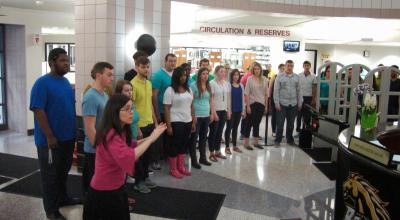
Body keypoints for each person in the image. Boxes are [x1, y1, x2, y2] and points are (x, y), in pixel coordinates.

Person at [83, 94, 167, 220]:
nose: (131, 112)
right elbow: (129, 156)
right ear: (115, 111)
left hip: (116, 188)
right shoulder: (110, 134)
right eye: (127, 109)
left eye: (132, 108)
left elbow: (132, 145)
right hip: (103, 193)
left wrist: (150, 138)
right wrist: (152, 139)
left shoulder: (120, 130)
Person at [30, 48, 80, 220]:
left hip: (67, 137)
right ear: (52, 62)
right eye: (62, 61)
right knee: (50, 176)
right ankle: (51, 210)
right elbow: (38, 110)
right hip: (50, 141)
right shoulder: (42, 83)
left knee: (63, 172)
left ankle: (63, 198)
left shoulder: (66, 82)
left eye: (68, 61)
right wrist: (50, 136)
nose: (66, 63)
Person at [82, 62, 114, 194]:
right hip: (94, 150)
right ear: (98, 75)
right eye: (109, 75)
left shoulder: (104, 94)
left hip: (103, 147)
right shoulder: (90, 97)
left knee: (102, 186)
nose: (112, 78)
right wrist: (100, 148)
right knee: (92, 186)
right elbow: (89, 128)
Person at [131, 56, 159, 193]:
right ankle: (138, 181)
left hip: (149, 123)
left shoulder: (148, 83)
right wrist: (136, 127)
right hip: (139, 125)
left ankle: (146, 177)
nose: (146, 69)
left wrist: (155, 120)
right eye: (143, 67)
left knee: (148, 154)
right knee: (139, 156)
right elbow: (131, 108)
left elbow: (150, 104)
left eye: (148, 67)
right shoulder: (132, 84)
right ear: (136, 67)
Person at [163, 66, 196, 178]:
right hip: (176, 121)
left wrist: (193, 121)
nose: (184, 77)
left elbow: (192, 106)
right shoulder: (170, 90)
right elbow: (166, 108)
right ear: (176, 76)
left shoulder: (189, 89)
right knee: (175, 145)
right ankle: (173, 169)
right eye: (181, 75)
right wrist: (169, 126)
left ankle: (181, 167)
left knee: (183, 145)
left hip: (187, 120)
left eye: (185, 75)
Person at [151, 53, 177, 170]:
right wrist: (156, 114)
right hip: (161, 110)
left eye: (174, 61)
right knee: (159, 138)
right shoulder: (158, 75)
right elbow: (154, 96)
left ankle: (167, 156)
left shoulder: (176, 74)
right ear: (165, 61)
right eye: (170, 61)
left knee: (170, 136)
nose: (173, 63)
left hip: (173, 111)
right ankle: (156, 160)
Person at [189, 67, 214, 168]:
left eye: (207, 74)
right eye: (203, 74)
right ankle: (194, 160)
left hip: (206, 115)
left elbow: (210, 100)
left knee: (203, 138)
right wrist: (193, 116)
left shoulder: (209, 86)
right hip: (197, 116)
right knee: (194, 139)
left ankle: (203, 158)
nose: (205, 76)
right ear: (199, 75)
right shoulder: (193, 86)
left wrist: (211, 113)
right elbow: (190, 102)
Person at [274, 60, 302, 146]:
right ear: (285, 66)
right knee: (280, 124)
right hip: (282, 104)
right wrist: (277, 103)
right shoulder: (279, 77)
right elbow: (276, 90)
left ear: (293, 67)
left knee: (291, 124)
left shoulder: (297, 77)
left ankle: (289, 139)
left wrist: (300, 103)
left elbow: (299, 91)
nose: (290, 67)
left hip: (293, 104)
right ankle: (277, 140)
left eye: (291, 66)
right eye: (288, 66)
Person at [243, 63, 269, 150]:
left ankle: (256, 142)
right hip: (252, 103)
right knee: (249, 123)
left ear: (261, 70)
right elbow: (247, 93)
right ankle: (246, 143)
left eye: (258, 69)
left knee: (257, 124)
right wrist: (248, 106)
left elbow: (266, 94)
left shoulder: (265, 79)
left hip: (261, 104)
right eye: (255, 69)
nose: (257, 70)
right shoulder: (250, 79)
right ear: (252, 70)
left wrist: (266, 106)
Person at [208, 65, 231, 162]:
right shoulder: (211, 83)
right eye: (221, 71)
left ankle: (218, 151)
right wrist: (213, 113)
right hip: (215, 110)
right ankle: (211, 152)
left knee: (220, 131)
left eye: (224, 72)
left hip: (224, 110)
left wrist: (228, 110)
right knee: (213, 132)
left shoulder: (226, 83)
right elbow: (211, 98)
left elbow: (228, 98)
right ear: (216, 72)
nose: (223, 73)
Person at [224, 69, 244, 153]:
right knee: (229, 128)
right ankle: (227, 146)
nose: (236, 76)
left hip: (239, 110)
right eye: (234, 75)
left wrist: (243, 110)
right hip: (231, 110)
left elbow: (242, 99)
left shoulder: (241, 85)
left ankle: (235, 145)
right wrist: (228, 110)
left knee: (235, 128)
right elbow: (227, 99)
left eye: (237, 75)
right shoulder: (228, 85)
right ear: (231, 76)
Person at [297, 61, 317, 131]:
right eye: (305, 65)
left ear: (310, 66)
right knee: (299, 114)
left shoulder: (314, 76)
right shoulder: (299, 75)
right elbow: (297, 87)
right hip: (300, 97)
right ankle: (298, 129)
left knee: (307, 115)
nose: (306, 67)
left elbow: (314, 88)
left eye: (308, 65)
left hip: (309, 98)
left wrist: (313, 99)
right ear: (303, 66)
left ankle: (306, 129)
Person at [269, 64, 285, 137]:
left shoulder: (285, 77)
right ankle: (273, 131)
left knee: (281, 117)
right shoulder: (274, 76)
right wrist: (269, 98)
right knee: (274, 116)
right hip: (274, 98)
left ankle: (279, 132)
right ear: (278, 69)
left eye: (284, 69)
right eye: (282, 68)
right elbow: (270, 88)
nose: (283, 70)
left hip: (282, 99)